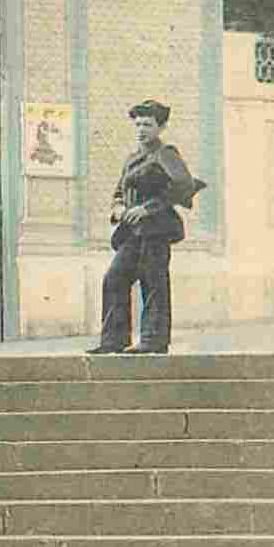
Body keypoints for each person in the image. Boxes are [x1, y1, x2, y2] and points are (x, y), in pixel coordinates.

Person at [88, 100, 206, 356]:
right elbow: (119, 192)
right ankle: (114, 340)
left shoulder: (166, 153)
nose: (141, 129)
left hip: (156, 231)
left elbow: (185, 185)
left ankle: (153, 341)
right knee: (114, 278)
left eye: (148, 125)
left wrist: (148, 208)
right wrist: (118, 208)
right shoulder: (131, 159)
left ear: (160, 128)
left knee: (153, 283)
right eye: (138, 124)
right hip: (132, 233)